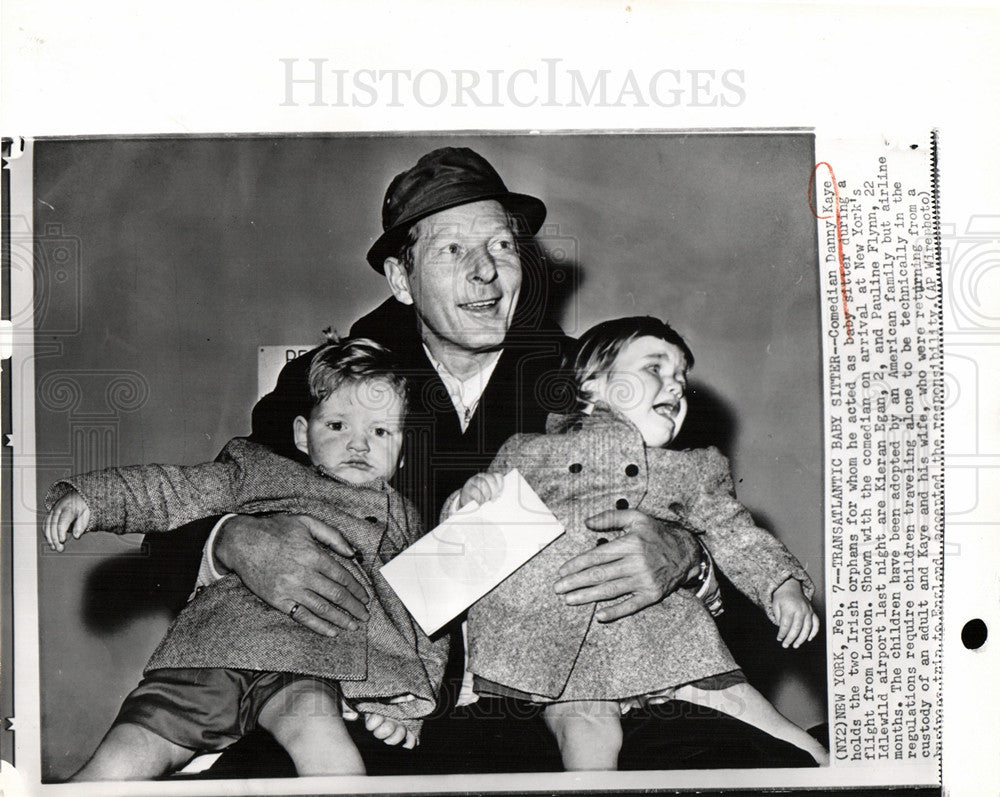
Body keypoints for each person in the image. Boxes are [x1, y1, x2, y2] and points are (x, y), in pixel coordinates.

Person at [196, 146, 818, 774]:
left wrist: (689, 558)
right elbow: (206, 500)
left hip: (590, 689)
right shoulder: (328, 380)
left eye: (500, 247)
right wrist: (233, 542)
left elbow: (704, 510)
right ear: (401, 279)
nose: (486, 274)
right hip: (377, 702)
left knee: (761, 770)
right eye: (452, 251)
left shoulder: (594, 379)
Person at [42, 339, 448, 779]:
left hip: (306, 667)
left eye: (381, 431)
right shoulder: (258, 472)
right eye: (337, 425)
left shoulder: (404, 518)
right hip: (210, 649)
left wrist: (406, 705)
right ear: (301, 435)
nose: (359, 444)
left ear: (402, 451)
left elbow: (430, 614)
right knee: (122, 756)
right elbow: (175, 488)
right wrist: (94, 498)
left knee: (328, 751)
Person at [448, 316, 829, 770]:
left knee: (769, 723)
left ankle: (844, 779)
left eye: (680, 379)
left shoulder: (692, 469)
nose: (674, 386)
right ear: (592, 383)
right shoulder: (528, 450)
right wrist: (464, 501)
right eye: (655, 368)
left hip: (666, 637)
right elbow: (469, 542)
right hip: (553, 637)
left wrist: (782, 584)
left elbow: (736, 532)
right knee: (588, 734)